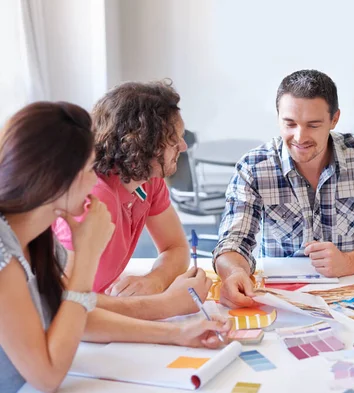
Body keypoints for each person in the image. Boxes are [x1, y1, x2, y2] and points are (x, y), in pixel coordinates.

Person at [0, 103, 230, 393]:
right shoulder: (4, 254)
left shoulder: (38, 236)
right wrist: (85, 256)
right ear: (56, 179)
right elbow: (47, 377)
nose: (94, 180)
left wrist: (178, 333)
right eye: (87, 170)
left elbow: (76, 314)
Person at [213, 69, 354, 308]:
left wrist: (348, 262)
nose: (300, 137)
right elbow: (233, 241)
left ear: (334, 119)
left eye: (313, 125)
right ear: (278, 118)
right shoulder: (254, 167)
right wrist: (234, 273)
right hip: (280, 300)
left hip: (348, 293)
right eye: (290, 124)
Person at [54, 81, 212, 320]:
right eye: (173, 139)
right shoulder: (92, 200)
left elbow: (176, 247)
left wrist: (155, 281)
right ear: (143, 143)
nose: (183, 145)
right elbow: (63, 303)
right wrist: (167, 304)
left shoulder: (149, 180)